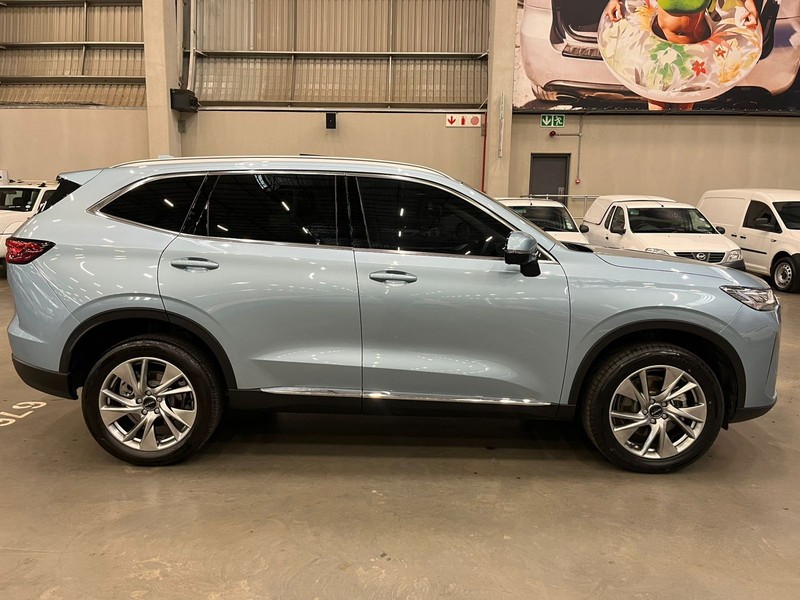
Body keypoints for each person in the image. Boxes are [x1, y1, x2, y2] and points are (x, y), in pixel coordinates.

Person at [603, 0, 760, 110]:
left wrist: (752, 10)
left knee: (684, 108)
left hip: (696, 48)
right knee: (658, 107)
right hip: (660, 48)